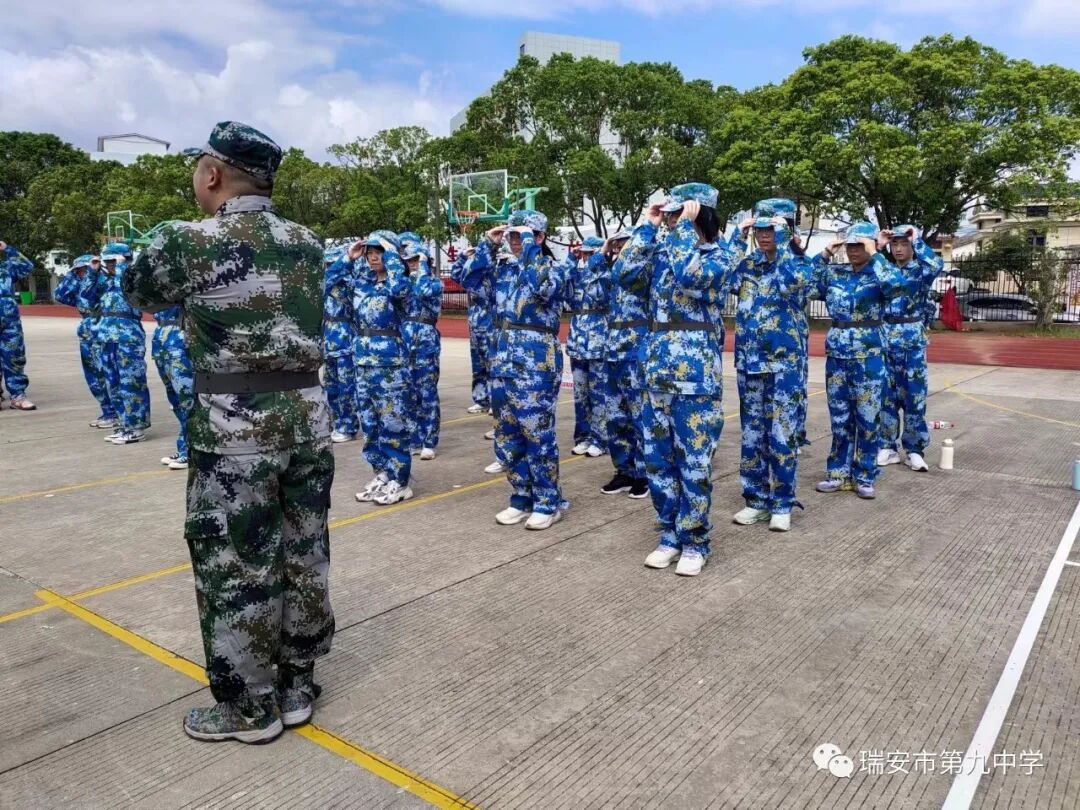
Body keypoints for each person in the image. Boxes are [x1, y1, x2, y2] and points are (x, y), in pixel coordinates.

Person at [124, 121, 334, 744]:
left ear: (212, 174)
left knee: (236, 562)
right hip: (307, 420)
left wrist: (166, 238)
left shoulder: (189, 240)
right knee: (303, 552)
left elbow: (138, 291)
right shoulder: (306, 241)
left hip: (235, 428)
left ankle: (249, 708)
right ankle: (296, 685)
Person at [627, 183, 738, 576]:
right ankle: (669, 535)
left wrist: (684, 231)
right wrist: (647, 225)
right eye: (670, 214)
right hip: (656, 375)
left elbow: (691, 277)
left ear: (698, 214)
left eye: (678, 213)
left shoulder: (721, 256)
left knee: (693, 463)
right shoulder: (664, 250)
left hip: (695, 379)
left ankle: (694, 541)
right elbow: (625, 276)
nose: (671, 220)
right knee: (658, 463)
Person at [460, 209, 567, 530]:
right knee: (507, 435)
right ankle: (522, 496)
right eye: (513, 235)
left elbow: (543, 288)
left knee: (537, 433)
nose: (516, 240)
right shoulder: (502, 270)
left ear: (540, 237)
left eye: (523, 235)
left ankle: (548, 501)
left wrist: (532, 249)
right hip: (503, 362)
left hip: (536, 362)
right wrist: (488, 246)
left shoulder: (553, 268)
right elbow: (469, 280)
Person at [728, 203, 814, 533]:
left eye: (772, 229)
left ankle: (782, 502)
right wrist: (737, 238)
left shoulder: (798, 264)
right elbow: (721, 278)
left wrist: (787, 246)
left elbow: (794, 283)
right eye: (760, 229)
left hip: (784, 366)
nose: (764, 235)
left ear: (785, 230)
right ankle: (756, 500)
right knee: (752, 435)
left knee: (782, 434)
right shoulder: (748, 264)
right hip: (749, 363)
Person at [811, 222, 904, 499]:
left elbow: (897, 287)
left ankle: (865, 475)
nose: (853, 251)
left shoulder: (879, 274)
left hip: (869, 355)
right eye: (850, 245)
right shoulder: (836, 274)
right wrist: (825, 253)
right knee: (840, 418)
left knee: (867, 418)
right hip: (838, 355)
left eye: (859, 246)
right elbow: (808, 283)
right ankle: (838, 473)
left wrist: (876, 253)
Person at [330, 230, 415, 505]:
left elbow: (399, 291)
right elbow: (328, 283)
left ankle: (400, 480)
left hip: (389, 364)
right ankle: (382, 474)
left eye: (379, 251)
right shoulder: (362, 285)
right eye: (370, 251)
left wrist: (392, 257)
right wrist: (348, 257)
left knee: (393, 422)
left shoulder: (399, 283)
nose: (373, 256)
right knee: (370, 423)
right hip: (363, 363)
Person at [876, 225, 944, 472]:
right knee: (886, 396)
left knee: (914, 396)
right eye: (895, 244)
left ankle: (914, 449)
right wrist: (878, 246)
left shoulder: (921, 271)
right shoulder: (884, 270)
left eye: (904, 244)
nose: (899, 249)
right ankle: (887, 446)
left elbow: (936, 265)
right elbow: (867, 269)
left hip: (912, 340)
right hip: (885, 338)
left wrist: (917, 241)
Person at [601, 229, 649, 499]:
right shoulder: (613, 273)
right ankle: (624, 470)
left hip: (636, 350)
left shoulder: (642, 271)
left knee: (639, 416)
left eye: (624, 242)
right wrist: (603, 252)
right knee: (615, 416)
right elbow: (591, 283)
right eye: (616, 243)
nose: (619, 246)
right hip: (613, 351)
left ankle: (643, 473)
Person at [96, 244, 151, 443]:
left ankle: (136, 427)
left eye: (113, 261)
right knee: (113, 383)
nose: (110, 265)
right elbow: (85, 296)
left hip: (128, 337)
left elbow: (128, 291)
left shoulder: (134, 278)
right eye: (108, 262)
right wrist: (92, 273)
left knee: (131, 382)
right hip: (106, 337)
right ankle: (123, 423)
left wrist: (122, 268)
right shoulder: (105, 281)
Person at [55, 254, 115, 426]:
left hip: (103, 329)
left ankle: (117, 412)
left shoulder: (103, 282)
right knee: (93, 375)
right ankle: (108, 411)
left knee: (107, 373)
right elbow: (60, 295)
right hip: (86, 333)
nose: (83, 273)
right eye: (80, 270)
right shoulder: (79, 284)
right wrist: (71, 274)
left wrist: (93, 273)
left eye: (85, 269)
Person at [565, 236, 610, 459]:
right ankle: (583, 437)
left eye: (591, 253)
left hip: (598, 344)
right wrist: (570, 260)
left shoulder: (606, 277)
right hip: (578, 343)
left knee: (599, 394)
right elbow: (564, 288)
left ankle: (601, 439)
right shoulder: (579, 276)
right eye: (584, 253)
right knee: (580, 395)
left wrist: (599, 259)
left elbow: (602, 297)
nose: (586, 257)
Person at [400, 234, 443, 461]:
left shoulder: (434, 282)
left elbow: (424, 291)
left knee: (427, 393)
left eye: (416, 259)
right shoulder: (404, 282)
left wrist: (423, 269)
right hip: (405, 340)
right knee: (408, 392)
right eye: (409, 260)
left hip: (425, 341)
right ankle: (414, 438)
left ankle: (428, 440)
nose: (412, 263)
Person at [322, 244, 359, 444]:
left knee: (347, 388)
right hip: (328, 342)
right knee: (331, 388)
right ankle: (337, 423)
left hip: (345, 343)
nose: (329, 267)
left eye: (332, 263)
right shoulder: (326, 283)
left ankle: (348, 426)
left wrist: (345, 266)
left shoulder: (350, 283)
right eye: (327, 263)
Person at [151, 303, 195, 470]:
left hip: (181, 338)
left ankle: (192, 451)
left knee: (187, 398)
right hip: (162, 339)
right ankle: (184, 446)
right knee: (175, 400)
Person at [453, 243, 493, 415]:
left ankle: (495, 400)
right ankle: (481, 399)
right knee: (478, 365)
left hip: (492, 323)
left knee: (492, 364)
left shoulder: (494, 271)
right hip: (476, 324)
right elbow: (457, 275)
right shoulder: (472, 277)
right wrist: (463, 257)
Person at [0, 239, 37, 410]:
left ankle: (18, 396)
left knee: (14, 358)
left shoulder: (6, 268)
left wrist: (8, 249)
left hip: (10, 323)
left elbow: (27, 266)